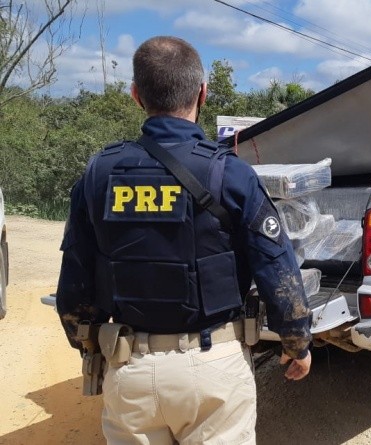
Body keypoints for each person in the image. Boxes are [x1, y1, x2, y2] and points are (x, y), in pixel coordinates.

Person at [55, 36, 312, 444]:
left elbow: (74, 284)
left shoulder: (99, 173)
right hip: (214, 370)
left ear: (136, 94)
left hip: (130, 367)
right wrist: (297, 342)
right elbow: (277, 271)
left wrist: (87, 345)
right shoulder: (232, 174)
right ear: (202, 94)